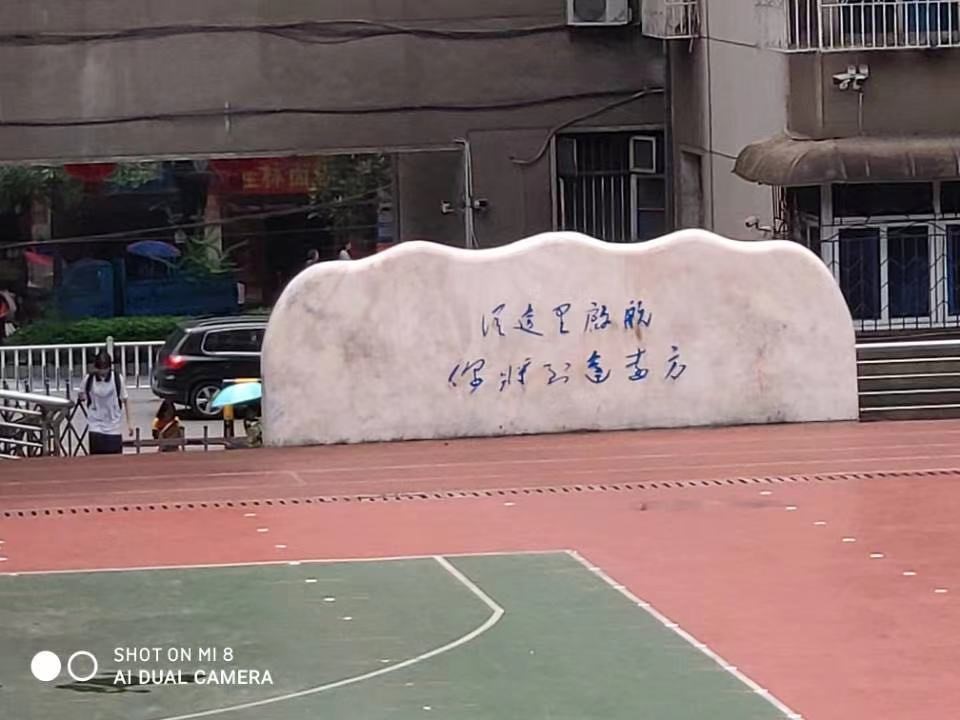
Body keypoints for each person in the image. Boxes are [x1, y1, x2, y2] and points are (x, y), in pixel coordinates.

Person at [81, 350, 132, 455]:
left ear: (109, 367)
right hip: (95, 426)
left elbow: (125, 400)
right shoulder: (89, 379)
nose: (102, 372)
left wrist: (129, 424)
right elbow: (82, 395)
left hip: (114, 427)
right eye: (100, 369)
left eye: (105, 369)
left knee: (114, 459)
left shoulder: (117, 379)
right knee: (96, 459)